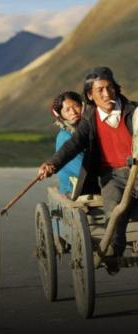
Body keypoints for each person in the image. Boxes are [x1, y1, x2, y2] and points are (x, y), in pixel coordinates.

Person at [38, 66, 138, 275]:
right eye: (100, 90)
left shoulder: (134, 112)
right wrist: (52, 164)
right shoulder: (89, 120)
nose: (106, 94)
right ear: (90, 95)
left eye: (110, 88)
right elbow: (72, 145)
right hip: (113, 174)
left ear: (116, 88)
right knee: (114, 207)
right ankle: (113, 254)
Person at [51, 91, 84, 197]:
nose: (73, 112)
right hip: (74, 186)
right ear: (61, 115)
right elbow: (80, 170)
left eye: (76, 106)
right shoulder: (65, 137)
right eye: (67, 110)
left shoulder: (87, 129)